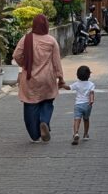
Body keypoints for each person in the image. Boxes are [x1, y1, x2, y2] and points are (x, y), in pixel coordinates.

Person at [12, 13, 67, 142]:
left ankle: (35, 134)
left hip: (30, 79)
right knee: (47, 102)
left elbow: (16, 55)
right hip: (48, 78)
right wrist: (61, 78)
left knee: (30, 105)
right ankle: (44, 121)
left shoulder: (26, 39)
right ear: (46, 26)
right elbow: (56, 62)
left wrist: (24, 64)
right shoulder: (51, 41)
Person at [71, 64, 95, 145]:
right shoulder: (91, 84)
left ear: (77, 75)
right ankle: (85, 134)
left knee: (77, 119)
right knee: (86, 119)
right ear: (89, 75)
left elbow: (69, 87)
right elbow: (91, 93)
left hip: (78, 105)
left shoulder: (76, 84)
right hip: (87, 105)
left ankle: (76, 133)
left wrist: (62, 85)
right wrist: (91, 100)